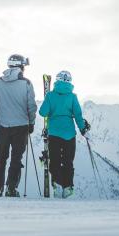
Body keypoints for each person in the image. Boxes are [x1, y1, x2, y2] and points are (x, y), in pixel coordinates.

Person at [0, 54, 37, 197]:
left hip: (4, 127)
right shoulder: (26, 84)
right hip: (21, 127)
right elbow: (31, 106)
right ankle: (11, 188)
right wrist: (31, 122)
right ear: (21, 67)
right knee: (16, 159)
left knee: (1, 157)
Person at [39, 70, 90, 198]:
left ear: (57, 81)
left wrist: (51, 109)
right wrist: (83, 129)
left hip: (54, 133)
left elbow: (42, 112)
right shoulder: (73, 97)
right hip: (69, 134)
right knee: (68, 161)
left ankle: (57, 184)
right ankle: (68, 187)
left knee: (55, 160)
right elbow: (78, 115)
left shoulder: (50, 95)